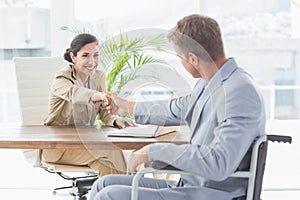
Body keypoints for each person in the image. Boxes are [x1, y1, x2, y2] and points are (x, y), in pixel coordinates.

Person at [90, 14, 266, 200]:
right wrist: (127, 107)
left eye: (180, 57)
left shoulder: (240, 90)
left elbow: (219, 162)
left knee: (109, 195)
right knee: (103, 183)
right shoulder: (209, 83)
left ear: (193, 58)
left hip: (215, 193)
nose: (181, 63)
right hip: (192, 184)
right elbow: (175, 108)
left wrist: (153, 151)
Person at [43, 33, 135, 176]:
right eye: (85, 55)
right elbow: (75, 94)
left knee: (109, 167)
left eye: (96, 55)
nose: (92, 61)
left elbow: (104, 112)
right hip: (60, 147)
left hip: (86, 143)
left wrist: (116, 120)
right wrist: (98, 95)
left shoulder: (99, 77)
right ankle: (133, 193)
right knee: (112, 151)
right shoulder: (62, 78)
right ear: (73, 57)